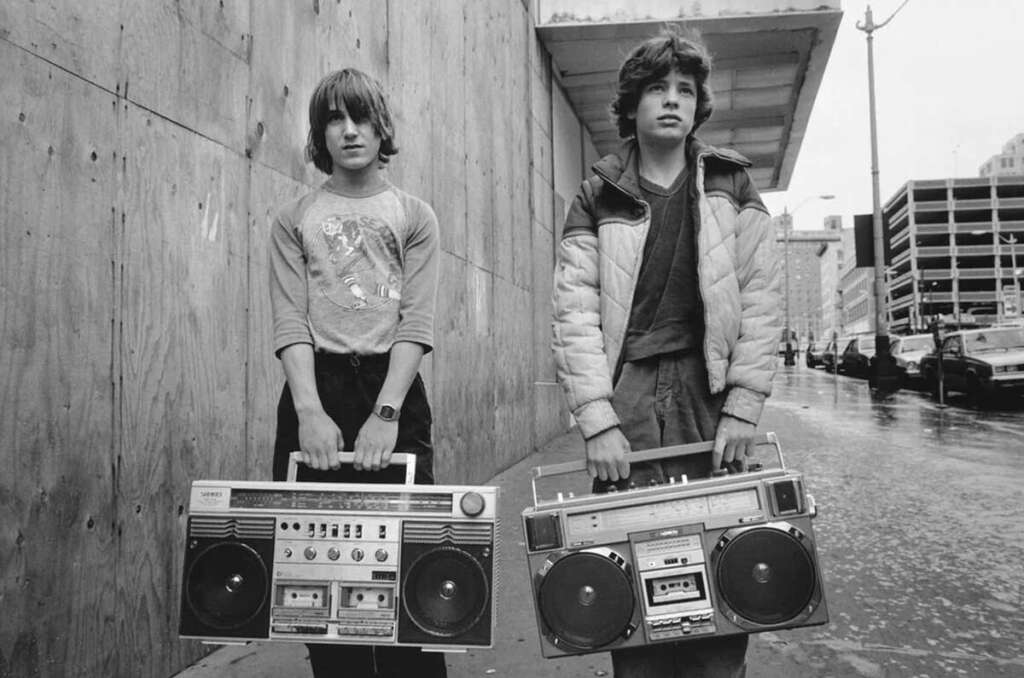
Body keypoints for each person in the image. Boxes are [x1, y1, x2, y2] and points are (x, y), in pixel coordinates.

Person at [551, 27, 782, 678]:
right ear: (631, 104)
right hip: (629, 403)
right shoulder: (598, 193)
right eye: (657, 88)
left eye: (685, 89)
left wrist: (742, 407)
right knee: (633, 586)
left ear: (699, 103)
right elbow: (573, 311)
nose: (673, 100)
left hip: (709, 401)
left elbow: (762, 301)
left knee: (723, 571)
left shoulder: (732, 183)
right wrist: (597, 419)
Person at [268, 68, 445, 678]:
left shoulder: (414, 214)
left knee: (408, 572)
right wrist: (309, 413)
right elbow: (290, 321)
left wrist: (387, 414)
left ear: (381, 127)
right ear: (320, 133)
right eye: (334, 120)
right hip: (315, 386)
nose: (349, 131)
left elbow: (416, 324)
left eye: (360, 118)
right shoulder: (295, 216)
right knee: (320, 576)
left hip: (393, 388)